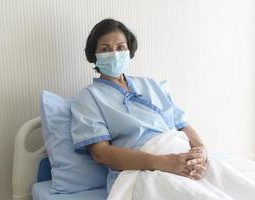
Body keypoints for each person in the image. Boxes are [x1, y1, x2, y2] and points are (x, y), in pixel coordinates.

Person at [70, 18, 208, 193]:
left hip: (184, 156)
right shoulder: (88, 97)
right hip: (143, 169)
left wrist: (201, 151)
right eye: (105, 49)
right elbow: (101, 153)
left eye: (120, 47)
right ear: (94, 56)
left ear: (129, 50)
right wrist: (165, 162)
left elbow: (182, 125)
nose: (114, 54)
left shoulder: (151, 84)